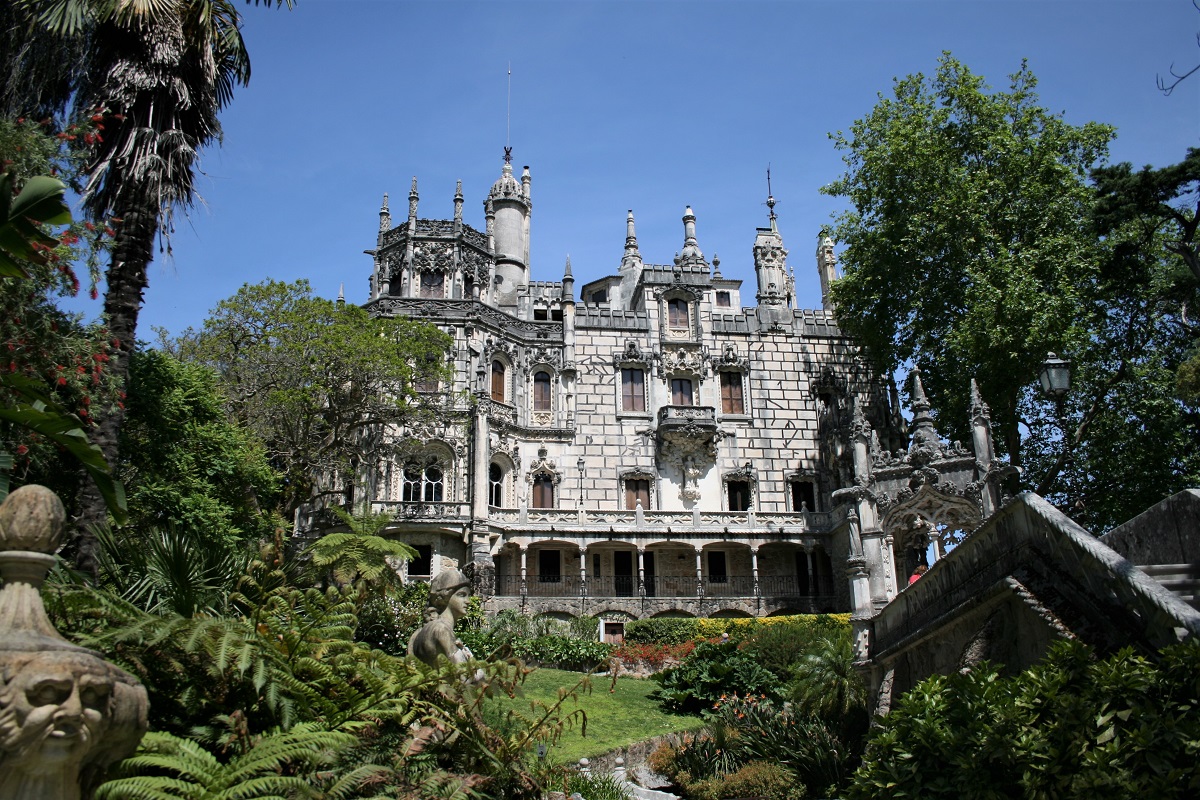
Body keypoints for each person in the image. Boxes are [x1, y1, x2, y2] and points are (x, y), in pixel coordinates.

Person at [408, 568, 475, 668]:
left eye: (468, 596)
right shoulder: (441, 630)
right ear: (444, 597)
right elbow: (465, 676)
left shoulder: (421, 631)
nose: (468, 601)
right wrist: (470, 659)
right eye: (461, 595)